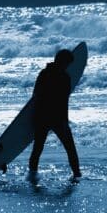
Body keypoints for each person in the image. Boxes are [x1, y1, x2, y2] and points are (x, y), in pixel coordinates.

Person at [28, 46, 82, 184]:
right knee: (69, 147)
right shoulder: (64, 77)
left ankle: (32, 175)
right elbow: (64, 101)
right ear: (62, 62)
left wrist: (35, 117)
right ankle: (76, 175)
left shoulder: (44, 73)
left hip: (42, 116)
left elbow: (35, 95)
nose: (68, 66)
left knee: (38, 148)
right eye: (67, 63)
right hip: (55, 118)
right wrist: (64, 121)